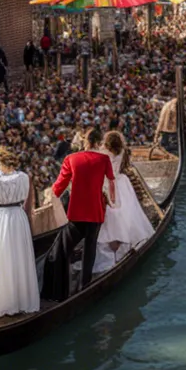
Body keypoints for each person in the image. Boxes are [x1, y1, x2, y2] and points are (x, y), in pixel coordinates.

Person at [41, 127, 115, 301]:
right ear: (98, 143)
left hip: (76, 212)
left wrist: (47, 199)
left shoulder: (71, 159)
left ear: (84, 141)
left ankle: (59, 289)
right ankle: (85, 286)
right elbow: (111, 181)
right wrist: (113, 201)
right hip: (96, 211)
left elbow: (58, 186)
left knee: (64, 250)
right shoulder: (104, 159)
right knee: (90, 248)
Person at [0, 145, 39, 320]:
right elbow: (28, 207)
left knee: (1, 259)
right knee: (19, 257)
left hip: (1, 219)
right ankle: (22, 300)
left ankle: (2, 302)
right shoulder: (24, 178)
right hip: (18, 219)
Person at [93, 131, 154, 273]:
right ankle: (124, 240)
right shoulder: (122, 151)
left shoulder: (102, 152)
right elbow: (124, 166)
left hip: (108, 183)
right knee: (126, 213)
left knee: (110, 215)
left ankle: (112, 244)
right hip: (120, 182)